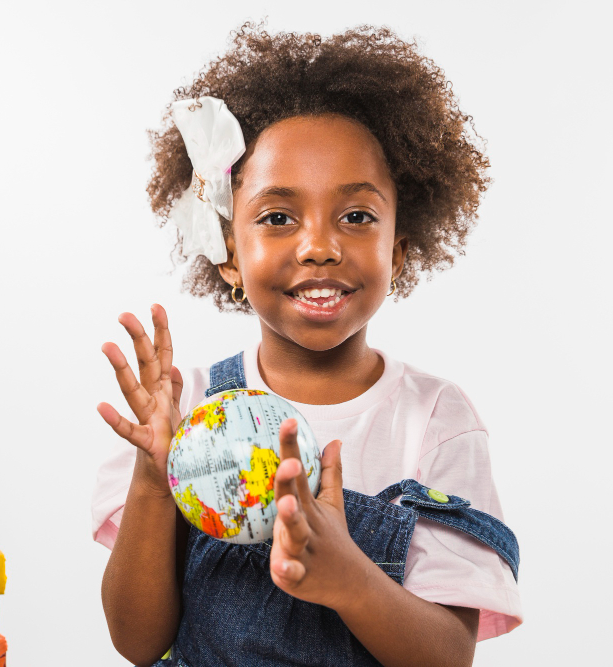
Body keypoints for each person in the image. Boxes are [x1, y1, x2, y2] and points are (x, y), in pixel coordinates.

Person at [91, 23, 523, 667]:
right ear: (228, 256)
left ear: (398, 252)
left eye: (356, 216)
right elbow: (138, 640)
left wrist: (352, 582)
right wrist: (158, 477)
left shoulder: (436, 421)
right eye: (277, 217)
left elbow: (447, 657)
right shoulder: (193, 409)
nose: (318, 245)